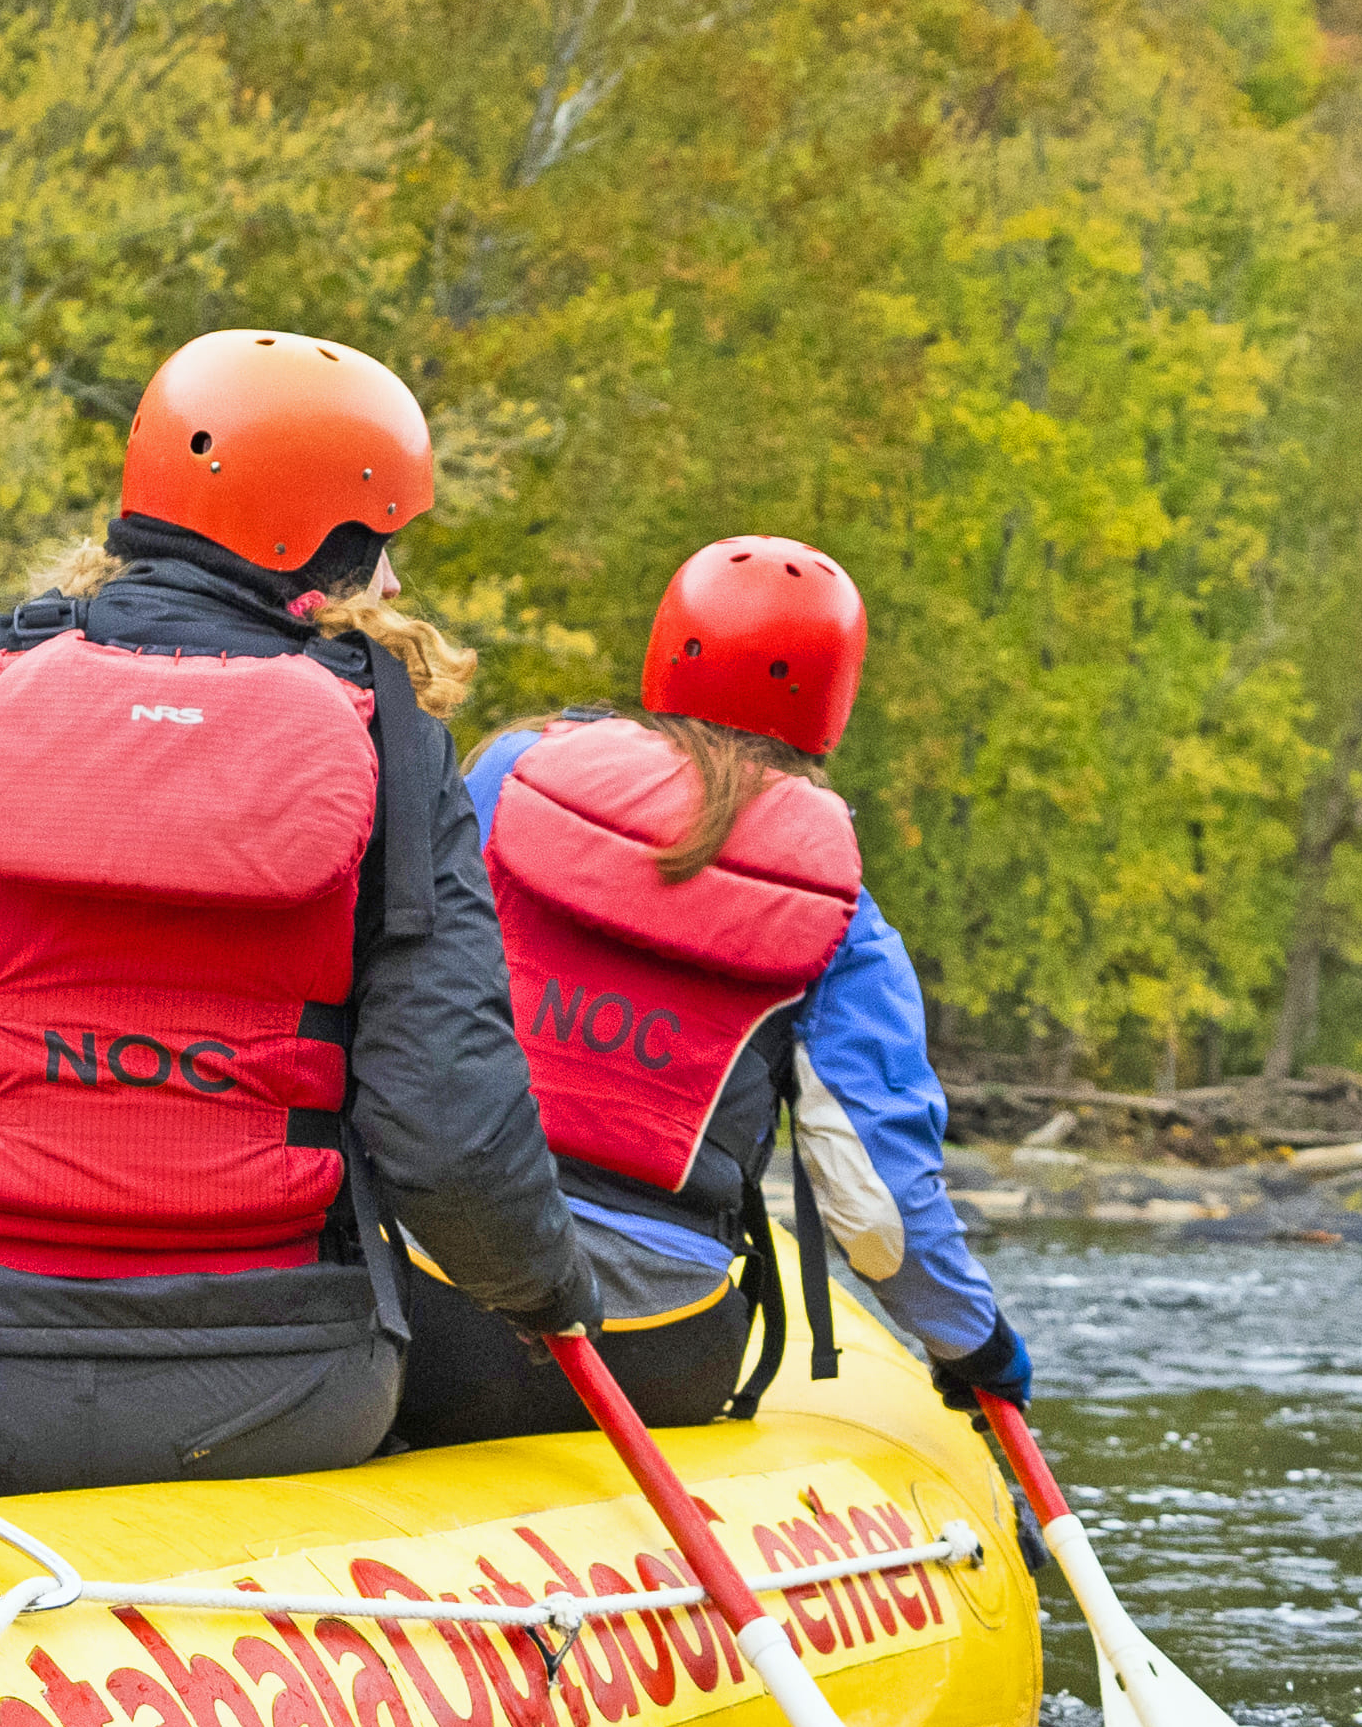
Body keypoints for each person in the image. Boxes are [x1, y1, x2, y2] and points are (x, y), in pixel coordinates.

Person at [0, 329, 657, 1496]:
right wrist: (548, 1292)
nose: (391, 584)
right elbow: (446, 1128)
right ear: (313, 545)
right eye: (378, 545)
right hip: (279, 1390)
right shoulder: (390, 736)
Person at [398, 534, 1033, 1449]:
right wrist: (977, 1348)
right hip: (657, 1354)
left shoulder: (508, 774)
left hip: (426, 1313)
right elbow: (878, 1211)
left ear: (668, 652)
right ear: (833, 699)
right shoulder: (846, 919)